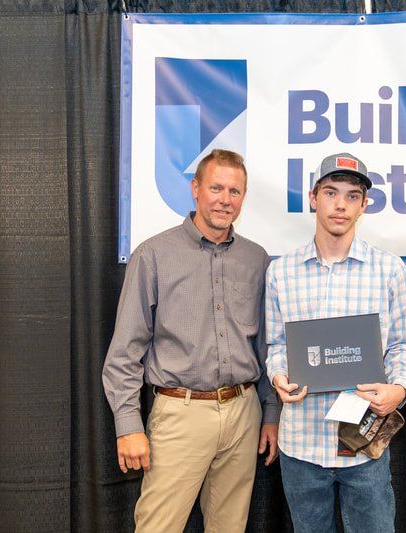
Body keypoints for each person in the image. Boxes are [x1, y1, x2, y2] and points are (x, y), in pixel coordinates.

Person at [102, 149, 279, 533]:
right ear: (195, 189)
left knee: (230, 527)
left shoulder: (257, 259)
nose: (224, 199)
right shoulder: (153, 255)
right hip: (180, 414)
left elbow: (267, 346)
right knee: (157, 527)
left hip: (243, 411)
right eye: (216, 187)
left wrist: (270, 414)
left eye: (234, 191)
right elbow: (125, 351)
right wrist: (128, 424)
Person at [265, 153, 406, 533]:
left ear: (364, 205)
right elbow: (275, 346)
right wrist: (279, 377)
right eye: (331, 192)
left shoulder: (389, 269)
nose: (340, 204)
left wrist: (398, 390)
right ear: (313, 197)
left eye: (352, 196)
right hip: (301, 444)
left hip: (363, 444)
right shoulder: (281, 272)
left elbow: (404, 345)